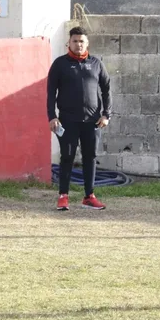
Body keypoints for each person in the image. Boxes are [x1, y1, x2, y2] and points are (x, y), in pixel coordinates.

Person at [47, 26, 111, 211]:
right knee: (67, 157)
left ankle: (89, 197)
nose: (78, 44)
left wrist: (106, 114)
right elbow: (51, 92)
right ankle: (63, 196)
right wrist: (52, 116)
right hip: (67, 121)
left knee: (90, 157)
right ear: (69, 43)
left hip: (92, 122)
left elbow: (107, 89)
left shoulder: (96, 64)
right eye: (75, 41)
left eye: (82, 41)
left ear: (87, 43)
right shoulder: (60, 64)